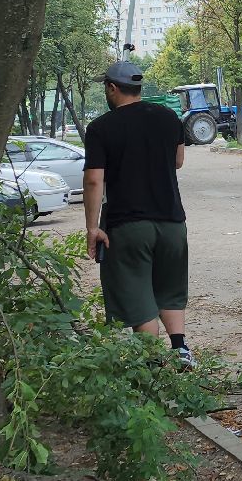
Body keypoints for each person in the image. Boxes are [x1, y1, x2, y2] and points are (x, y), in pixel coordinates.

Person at [83, 61, 196, 367]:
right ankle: (180, 349)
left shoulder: (100, 128)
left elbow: (94, 179)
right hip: (172, 222)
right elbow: (178, 161)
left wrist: (92, 228)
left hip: (129, 225)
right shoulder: (168, 117)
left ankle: (154, 365)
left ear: (112, 88)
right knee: (170, 289)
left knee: (139, 297)